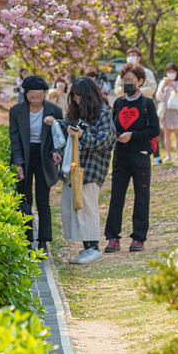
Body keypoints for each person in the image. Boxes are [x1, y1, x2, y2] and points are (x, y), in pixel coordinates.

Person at [60, 76, 116, 265]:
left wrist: (83, 136)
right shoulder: (77, 112)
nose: (77, 100)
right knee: (76, 208)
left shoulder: (103, 112)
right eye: (74, 97)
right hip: (74, 166)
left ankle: (94, 248)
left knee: (88, 207)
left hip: (92, 168)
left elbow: (106, 140)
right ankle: (86, 247)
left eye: (80, 96)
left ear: (89, 95)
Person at [104, 64, 159, 253]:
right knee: (116, 196)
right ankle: (112, 237)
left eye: (131, 80)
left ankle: (138, 238)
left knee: (141, 197)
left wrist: (133, 135)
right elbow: (113, 125)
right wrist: (116, 135)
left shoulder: (147, 104)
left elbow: (154, 130)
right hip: (120, 155)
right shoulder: (118, 103)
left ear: (140, 82)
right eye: (124, 80)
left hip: (140, 156)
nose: (128, 83)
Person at [8, 75, 64, 257]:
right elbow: (15, 139)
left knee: (43, 201)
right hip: (24, 156)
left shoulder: (54, 110)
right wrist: (18, 163)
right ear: (26, 94)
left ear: (44, 94)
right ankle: (27, 239)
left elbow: (58, 136)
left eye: (39, 94)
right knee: (24, 201)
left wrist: (56, 152)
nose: (35, 98)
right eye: (32, 94)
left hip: (44, 156)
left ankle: (43, 242)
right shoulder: (16, 111)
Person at [156, 63, 178, 161]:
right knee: (167, 133)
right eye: (169, 72)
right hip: (165, 110)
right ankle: (168, 155)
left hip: (176, 110)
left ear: (176, 72)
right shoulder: (163, 82)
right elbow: (159, 96)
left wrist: (173, 87)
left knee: (177, 132)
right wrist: (163, 87)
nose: (171, 74)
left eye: (173, 72)